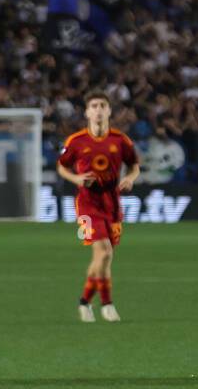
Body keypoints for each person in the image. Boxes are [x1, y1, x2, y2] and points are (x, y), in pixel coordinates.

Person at [56, 92, 140, 322]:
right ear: (87, 112)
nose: (98, 109)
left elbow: (134, 165)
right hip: (87, 202)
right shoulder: (76, 141)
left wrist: (131, 178)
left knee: (104, 257)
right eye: (94, 106)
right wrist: (76, 179)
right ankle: (107, 304)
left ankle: (84, 302)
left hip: (112, 203)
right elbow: (61, 166)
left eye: (103, 105)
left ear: (109, 111)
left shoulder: (120, 140)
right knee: (104, 252)